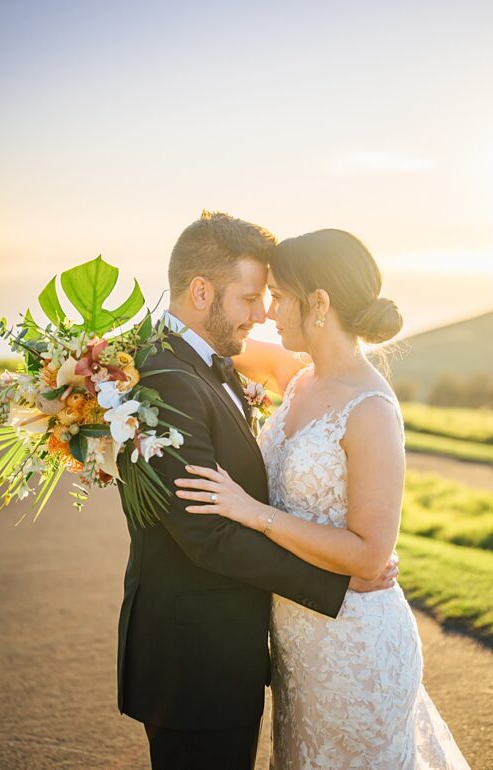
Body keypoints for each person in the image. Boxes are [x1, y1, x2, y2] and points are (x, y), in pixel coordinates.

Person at [177, 228, 469, 768]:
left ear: (318, 302)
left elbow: (368, 556)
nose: (267, 312)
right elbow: (200, 346)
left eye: (280, 296)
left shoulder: (371, 411)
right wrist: (94, 370)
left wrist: (254, 513)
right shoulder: (298, 378)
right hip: (297, 644)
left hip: (355, 650)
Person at [116, 212, 397, 769]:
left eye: (272, 295)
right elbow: (208, 535)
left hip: (272, 648)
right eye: (251, 297)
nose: (262, 312)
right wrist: (336, 581)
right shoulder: (166, 377)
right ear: (202, 291)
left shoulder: (204, 368)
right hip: (194, 657)